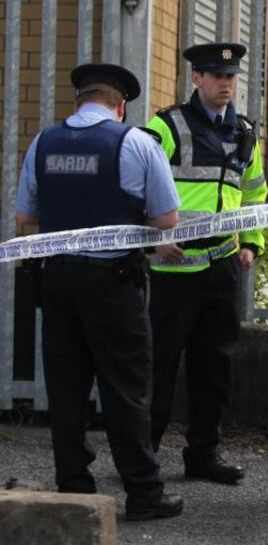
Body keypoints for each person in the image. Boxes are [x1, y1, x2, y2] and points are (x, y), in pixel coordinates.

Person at [14, 63, 184, 521]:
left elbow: (26, 216)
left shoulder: (43, 143)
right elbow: (167, 218)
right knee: (125, 387)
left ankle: (73, 487)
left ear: (77, 102)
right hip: (113, 284)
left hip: (57, 281)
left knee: (66, 388)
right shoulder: (134, 142)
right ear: (121, 105)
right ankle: (143, 493)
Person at [145, 42, 268, 484]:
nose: (225, 84)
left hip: (224, 266)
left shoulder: (245, 131)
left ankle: (204, 454)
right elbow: (133, 181)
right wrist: (152, 238)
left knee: (215, 364)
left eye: (231, 76)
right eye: (216, 76)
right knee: (160, 362)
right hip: (173, 269)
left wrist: (251, 242)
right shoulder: (166, 125)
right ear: (195, 78)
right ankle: (144, 455)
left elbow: (254, 192)